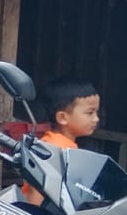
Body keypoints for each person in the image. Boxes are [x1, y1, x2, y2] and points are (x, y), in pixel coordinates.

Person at [22, 78, 100, 206]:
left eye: (96, 112)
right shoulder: (53, 148)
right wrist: (35, 214)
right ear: (62, 117)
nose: (96, 119)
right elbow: (36, 192)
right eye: (90, 113)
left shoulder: (64, 145)